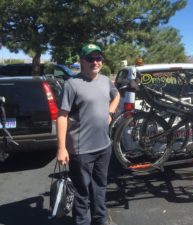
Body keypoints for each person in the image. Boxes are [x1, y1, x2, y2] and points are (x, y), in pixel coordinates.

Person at [56, 43, 120, 225]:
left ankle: (100, 221)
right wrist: (61, 148)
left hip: (104, 147)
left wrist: (110, 112)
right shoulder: (72, 84)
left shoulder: (106, 81)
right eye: (90, 58)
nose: (95, 62)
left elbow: (116, 96)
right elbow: (61, 116)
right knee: (82, 192)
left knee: (100, 188)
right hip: (81, 149)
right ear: (82, 61)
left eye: (98, 58)